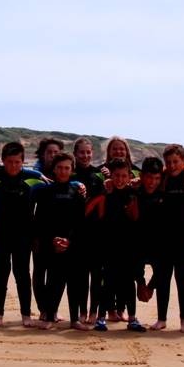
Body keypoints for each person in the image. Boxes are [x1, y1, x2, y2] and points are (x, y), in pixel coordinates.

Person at [0, 142, 45, 327]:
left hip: (23, 234)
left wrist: (76, 184)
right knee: (0, 273)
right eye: (10, 162)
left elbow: (56, 184)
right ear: (3, 161)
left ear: (23, 161)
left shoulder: (32, 178)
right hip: (0, 233)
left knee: (22, 274)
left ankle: (26, 315)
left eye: (17, 162)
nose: (13, 166)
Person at [31, 152, 90, 330]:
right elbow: (40, 220)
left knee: (74, 282)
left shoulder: (77, 192)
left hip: (72, 243)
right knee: (54, 282)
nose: (63, 171)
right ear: (53, 169)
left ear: (72, 170)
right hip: (51, 243)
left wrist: (69, 241)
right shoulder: (45, 192)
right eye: (60, 168)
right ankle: (49, 316)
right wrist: (51, 241)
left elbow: (80, 221)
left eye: (67, 168)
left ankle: (74, 319)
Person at [86, 159, 146, 332]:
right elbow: (88, 210)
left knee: (128, 282)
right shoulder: (105, 193)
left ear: (129, 177)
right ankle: (101, 318)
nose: (120, 179)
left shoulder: (133, 194)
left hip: (128, 247)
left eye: (124, 176)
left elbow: (138, 219)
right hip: (107, 247)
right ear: (110, 176)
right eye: (117, 175)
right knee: (108, 283)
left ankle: (133, 318)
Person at [152, 146, 184, 333]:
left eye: (176, 162)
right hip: (164, 236)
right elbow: (147, 177)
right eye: (168, 162)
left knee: (182, 277)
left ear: (183, 160)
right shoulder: (162, 178)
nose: (172, 166)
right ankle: (161, 318)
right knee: (163, 277)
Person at [73, 137, 106, 323]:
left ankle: (94, 311)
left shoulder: (98, 175)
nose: (85, 155)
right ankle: (82, 311)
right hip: (78, 232)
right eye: (81, 152)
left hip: (96, 232)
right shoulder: (71, 174)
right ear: (75, 154)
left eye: (88, 152)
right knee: (80, 276)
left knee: (96, 275)